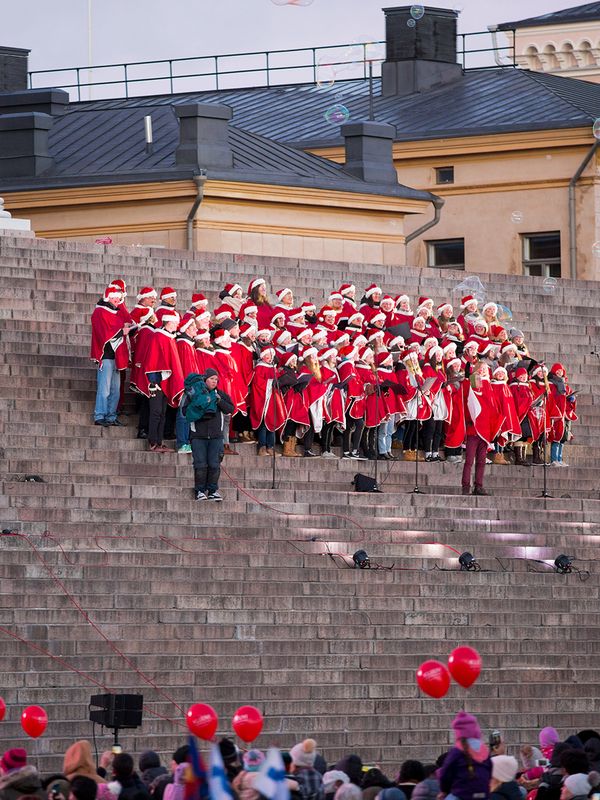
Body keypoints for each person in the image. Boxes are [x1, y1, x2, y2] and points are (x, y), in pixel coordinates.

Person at [185, 368, 235, 501]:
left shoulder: (220, 394)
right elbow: (184, 410)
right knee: (200, 464)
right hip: (198, 435)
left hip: (216, 436)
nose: (214, 381)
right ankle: (200, 490)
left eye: (216, 379)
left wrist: (218, 401)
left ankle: (213, 490)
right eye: (211, 379)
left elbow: (230, 408)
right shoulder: (194, 393)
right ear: (205, 379)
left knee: (214, 464)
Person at [90, 286, 132, 427]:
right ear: (108, 297)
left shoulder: (115, 312)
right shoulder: (100, 312)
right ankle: (100, 415)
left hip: (116, 356)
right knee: (105, 388)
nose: (117, 300)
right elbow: (104, 333)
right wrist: (122, 331)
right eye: (114, 297)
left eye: (119, 298)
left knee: (115, 389)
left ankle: (111, 415)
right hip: (106, 355)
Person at [439, 711, 492, 800]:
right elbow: (490, 770)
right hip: (484, 794)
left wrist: (444, 790)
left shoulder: (457, 751)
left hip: (462, 794)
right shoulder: (484, 749)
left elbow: (445, 773)